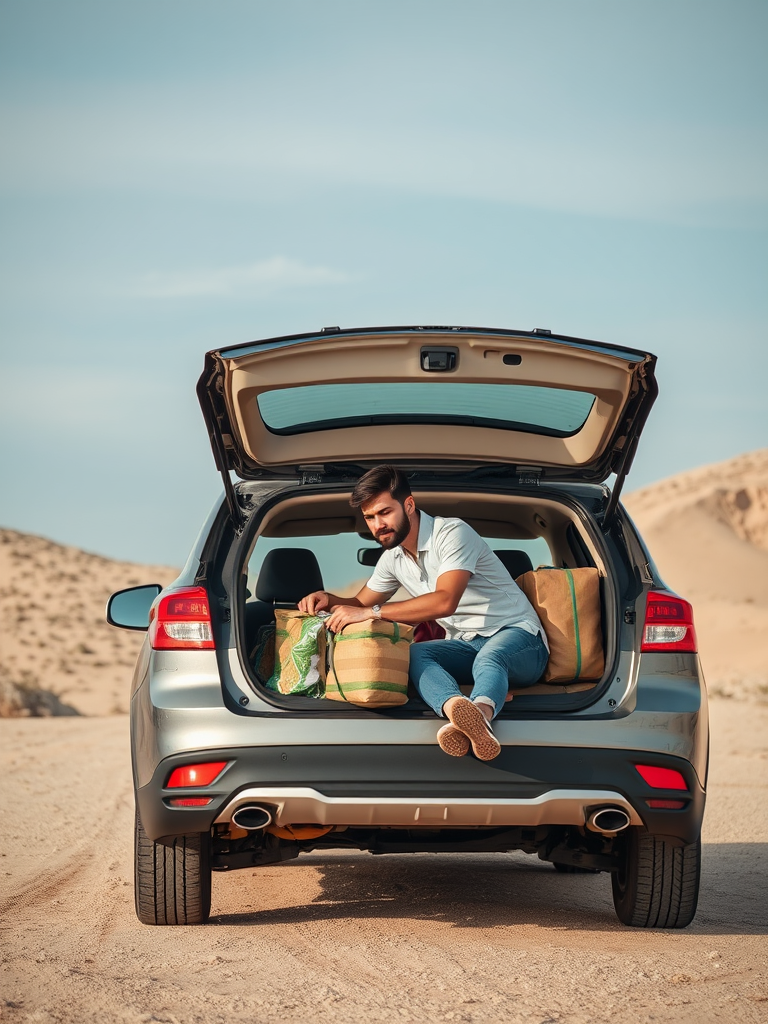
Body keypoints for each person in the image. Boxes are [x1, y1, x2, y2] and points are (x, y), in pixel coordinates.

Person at [299, 465, 549, 761]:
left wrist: (373, 613)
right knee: (416, 654)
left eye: (384, 512)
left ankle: (480, 716)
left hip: (520, 639)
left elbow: (445, 601)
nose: (377, 525)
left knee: (490, 656)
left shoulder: (452, 533)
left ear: (409, 504)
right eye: (369, 517)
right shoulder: (392, 559)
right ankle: (457, 709)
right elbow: (359, 601)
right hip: (467, 644)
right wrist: (328, 599)